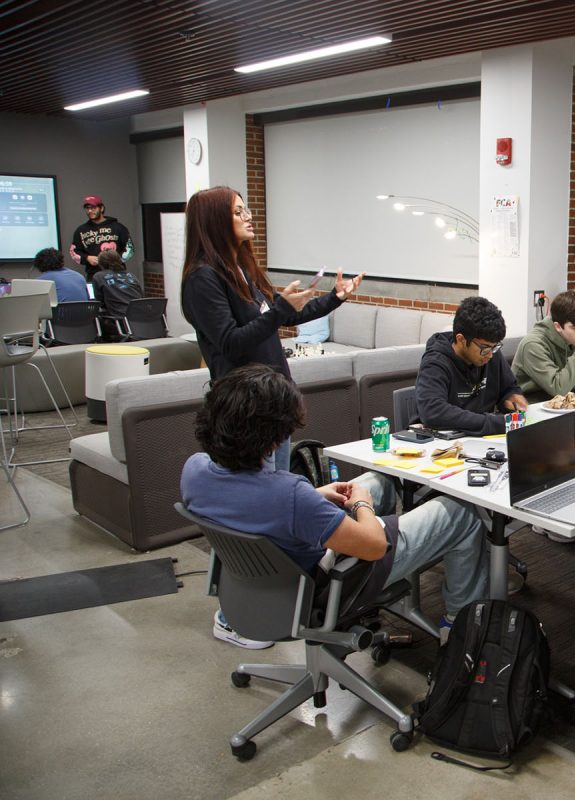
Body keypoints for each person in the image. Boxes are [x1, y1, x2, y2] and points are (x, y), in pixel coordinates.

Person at [181, 365, 488, 649]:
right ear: (273, 439)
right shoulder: (290, 496)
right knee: (462, 510)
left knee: (379, 481)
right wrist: (361, 506)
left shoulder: (194, 471)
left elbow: (253, 505)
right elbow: (374, 547)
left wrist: (314, 495)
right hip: (326, 590)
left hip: (260, 586)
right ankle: (460, 628)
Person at [180, 185, 362, 471]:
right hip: (245, 409)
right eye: (238, 212)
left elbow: (281, 317)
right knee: (259, 496)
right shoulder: (203, 278)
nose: (248, 217)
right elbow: (230, 341)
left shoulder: (240, 270)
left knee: (277, 486)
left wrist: (334, 298)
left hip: (273, 401)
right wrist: (281, 310)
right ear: (214, 220)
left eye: (246, 209)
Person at [414, 296, 527, 436]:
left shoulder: (490, 353)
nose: (490, 355)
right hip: (439, 442)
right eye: (485, 348)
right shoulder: (435, 363)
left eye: (494, 347)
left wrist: (512, 398)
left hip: (480, 439)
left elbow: (509, 388)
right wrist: (493, 424)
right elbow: (433, 412)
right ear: (461, 339)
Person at [512, 290, 575, 402]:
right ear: (558, 326)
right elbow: (559, 390)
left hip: (570, 407)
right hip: (534, 410)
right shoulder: (532, 345)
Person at [70, 195, 133, 281]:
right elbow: (74, 251)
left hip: (117, 273)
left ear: (101, 208)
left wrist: (116, 261)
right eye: (87, 208)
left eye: (93, 208)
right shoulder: (81, 230)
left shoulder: (118, 227)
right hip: (94, 275)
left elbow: (130, 249)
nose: (90, 211)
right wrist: (87, 258)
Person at [92, 250, 144, 321]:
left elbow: (99, 303)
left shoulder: (99, 277)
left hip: (119, 322)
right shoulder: (131, 276)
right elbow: (141, 296)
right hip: (140, 319)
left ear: (101, 264)